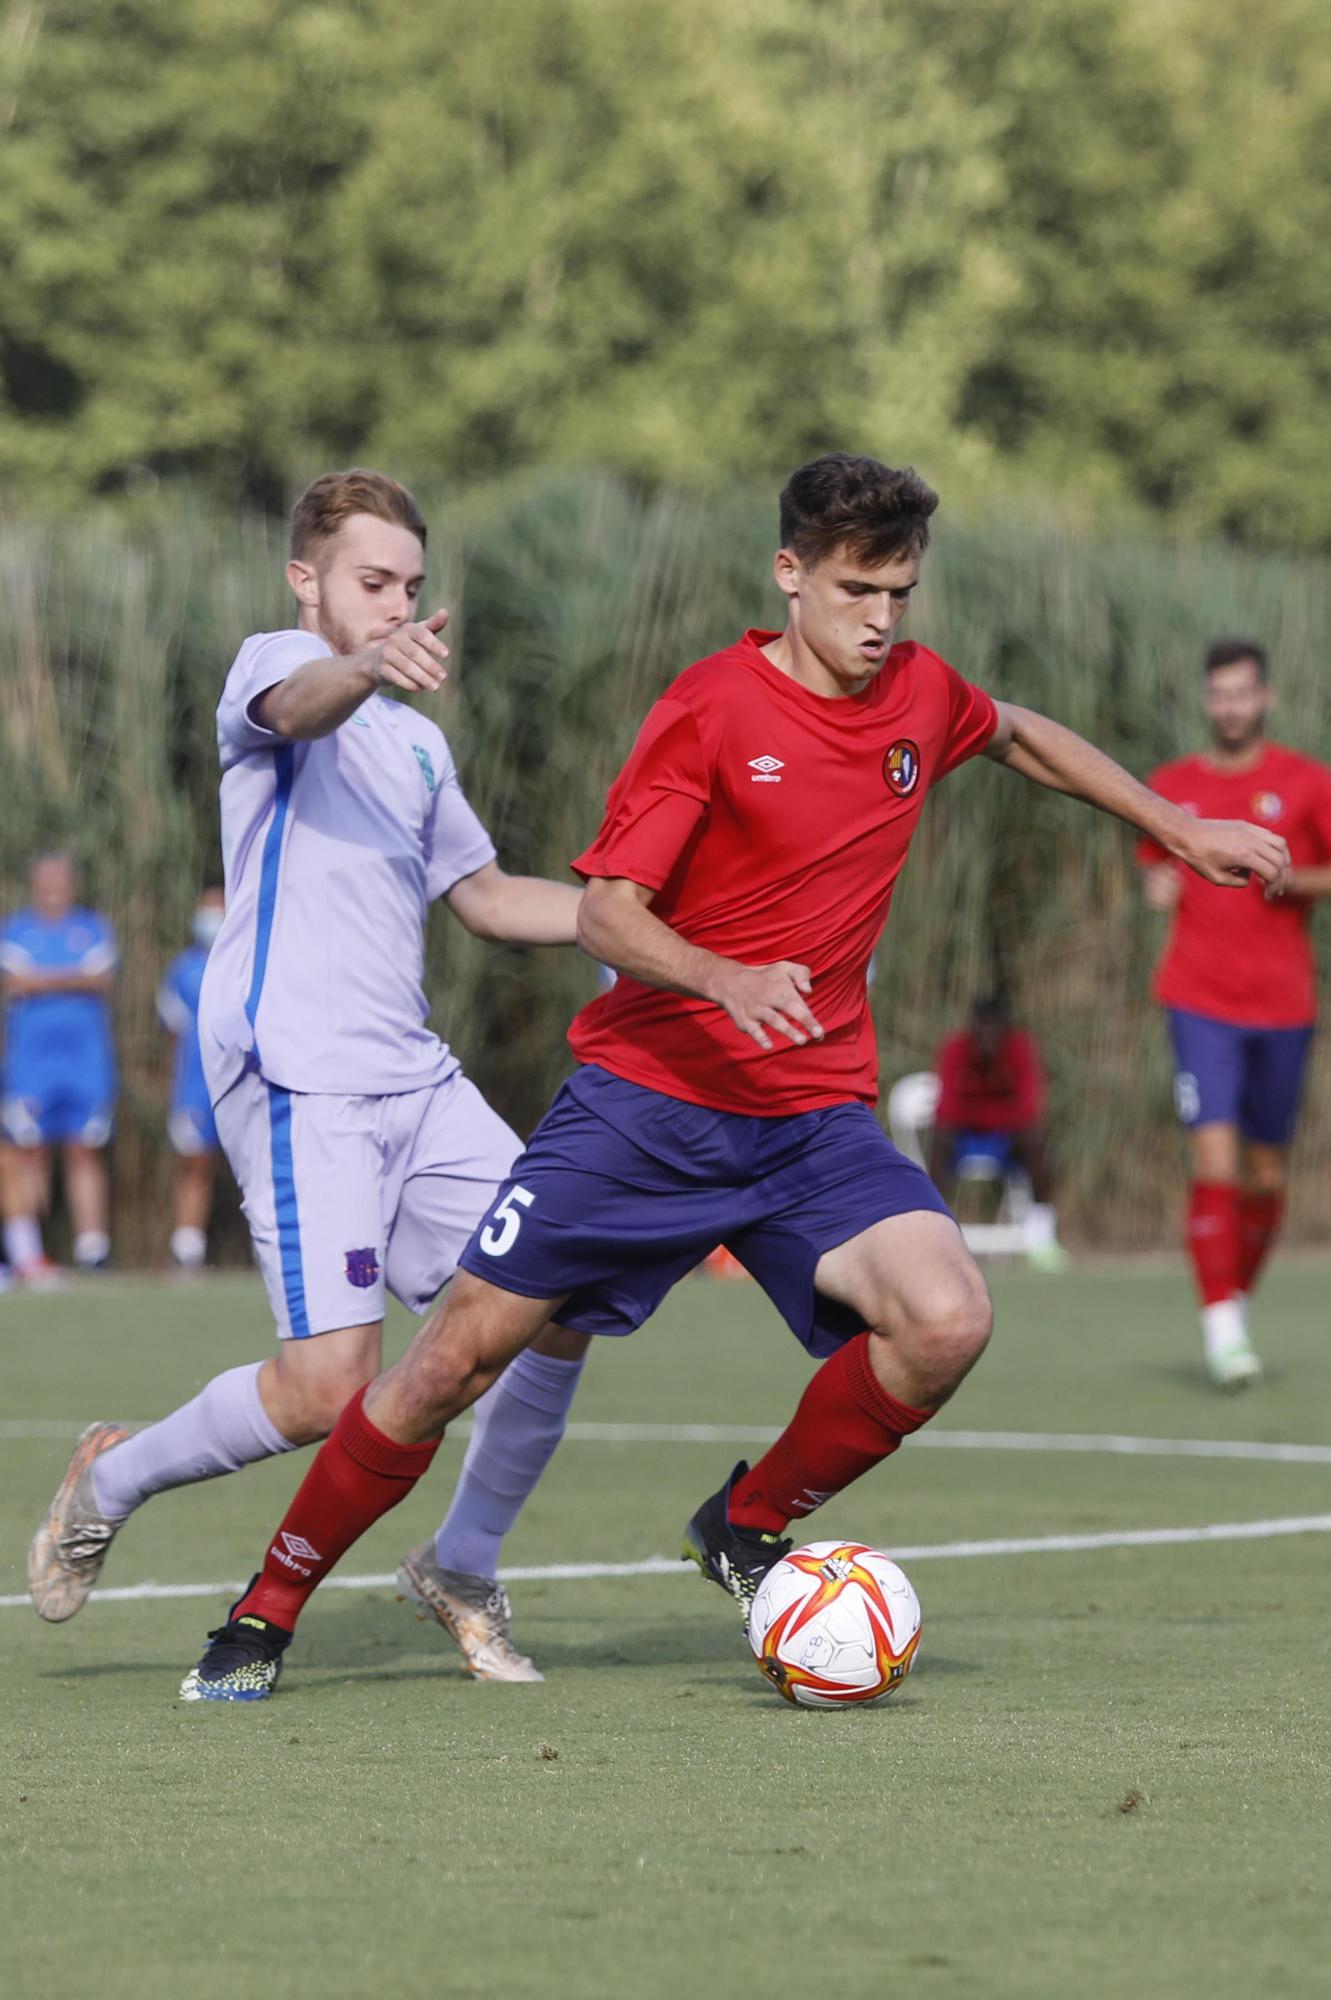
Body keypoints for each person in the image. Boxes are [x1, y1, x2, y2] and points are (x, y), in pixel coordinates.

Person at [172, 451, 1288, 1704]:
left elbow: (1017, 729)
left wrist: (1173, 824)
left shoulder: (918, 694)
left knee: (946, 1316)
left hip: (809, 1119)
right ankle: (264, 1610)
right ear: (789, 573)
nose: (880, 618)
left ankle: (744, 1524)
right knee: (445, 1367)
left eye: (900, 592)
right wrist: (721, 977)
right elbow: (605, 911)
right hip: (643, 1108)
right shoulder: (710, 708)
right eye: (858, 587)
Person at [29, 468, 590, 1683]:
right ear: (308, 579)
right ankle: (110, 1472)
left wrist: (640, 922)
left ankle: (461, 1562)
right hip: (301, 1077)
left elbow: (488, 899)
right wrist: (366, 666)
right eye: (372, 583)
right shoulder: (276, 667)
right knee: (329, 1386)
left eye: (411, 588)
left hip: (415, 1078)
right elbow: (298, 705)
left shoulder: (420, 746)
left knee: (561, 1296)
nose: (396, 606)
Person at [1138, 637, 1331, 1388]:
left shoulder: (1306, 783)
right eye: (1217, 693)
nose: (1229, 706)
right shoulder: (1171, 785)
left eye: (1241, 693)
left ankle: (1234, 1299)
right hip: (1197, 1000)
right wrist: (1157, 888)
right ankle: (1220, 1328)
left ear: (1264, 698)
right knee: (1213, 1158)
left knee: (1264, 1172)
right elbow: (1156, 868)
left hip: (1283, 1003)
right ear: (1205, 700)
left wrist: (1285, 874)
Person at [0, 852, 117, 1283]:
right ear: (34, 884)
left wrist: (39, 981)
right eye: (45, 879)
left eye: (60, 879)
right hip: (30, 1066)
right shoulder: (16, 929)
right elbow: (13, 980)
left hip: (86, 1064)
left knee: (84, 1151)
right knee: (28, 1154)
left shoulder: (92, 927)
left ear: (72, 884)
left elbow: (101, 979)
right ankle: (29, 1255)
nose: (53, 887)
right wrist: (73, 978)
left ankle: (92, 1250)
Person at [928, 995, 1067, 1270]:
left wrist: (983, 1112)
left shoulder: (1020, 1049)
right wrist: (994, 1112)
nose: (987, 1035)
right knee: (939, 1139)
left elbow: (1029, 1109)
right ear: (972, 1028)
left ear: (1005, 1029)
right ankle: (934, 1232)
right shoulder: (955, 1050)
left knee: (1036, 1141)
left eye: (994, 1028)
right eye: (982, 1027)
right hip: (964, 1138)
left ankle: (1042, 1236)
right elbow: (946, 1111)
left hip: (1006, 1139)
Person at [157, 883, 226, 1270]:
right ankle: (187, 1249)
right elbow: (171, 1027)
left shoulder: (247, 961)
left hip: (246, 1084)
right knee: (193, 1163)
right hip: (194, 1084)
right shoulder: (182, 969)